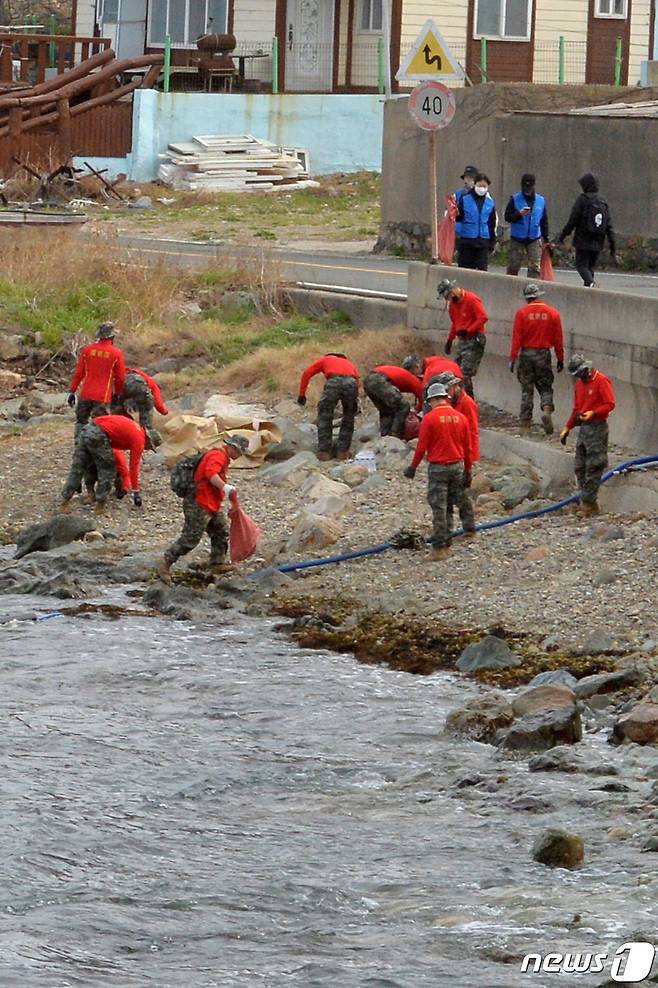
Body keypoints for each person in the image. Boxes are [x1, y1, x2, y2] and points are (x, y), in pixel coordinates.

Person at [157, 435, 250, 583]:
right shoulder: (217, 456)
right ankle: (165, 563)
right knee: (191, 538)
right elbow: (210, 473)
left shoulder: (221, 456)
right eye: (240, 452)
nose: (240, 456)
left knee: (221, 531)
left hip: (211, 502)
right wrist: (225, 487)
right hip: (199, 502)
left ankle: (217, 562)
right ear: (233, 448)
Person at [403, 381, 472, 560]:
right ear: (446, 398)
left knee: (439, 506)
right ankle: (467, 530)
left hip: (438, 468)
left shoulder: (430, 418)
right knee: (456, 500)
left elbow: (421, 447)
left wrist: (413, 467)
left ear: (432, 400)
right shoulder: (460, 418)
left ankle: (440, 547)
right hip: (458, 465)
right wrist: (468, 470)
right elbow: (468, 447)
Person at [62, 414, 154, 514]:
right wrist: (136, 491)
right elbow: (133, 467)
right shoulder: (140, 439)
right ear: (148, 440)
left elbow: (103, 421)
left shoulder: (134, 427)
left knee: (78, 466)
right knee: (108, 470)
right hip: (99, 434)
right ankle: (100, 504)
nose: (146, 449)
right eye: (149, 447)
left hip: (88, 429)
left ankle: (65, 501)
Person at [560, 354, 616, 516]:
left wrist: (594, 412)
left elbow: (610, 404)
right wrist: (567, 427)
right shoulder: (580, 384)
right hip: (585, 429)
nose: (578, 377)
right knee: (580, 466)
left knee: (594, 465)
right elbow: (577, 409)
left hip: (597, 428)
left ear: (585, 369)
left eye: (579, 373)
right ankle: (588, 500)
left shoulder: (601, 380)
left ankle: (589, 503)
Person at [509, 283, 565, 434]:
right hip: (543, 354)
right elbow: (558, 339)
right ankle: (546, 409)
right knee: (545, 387)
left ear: (527, 298)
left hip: (526, 354)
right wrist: (560, 358)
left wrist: (513, 358)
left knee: (527, 390)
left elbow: (516, 339)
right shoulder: (553, 313)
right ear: (539, 295)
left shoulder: (521, 313)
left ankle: (525, 425)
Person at [434, 370, 478, 537]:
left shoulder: (467, 404)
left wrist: (470, 461)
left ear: (454, 386)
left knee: (462, 496)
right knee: (450, 497)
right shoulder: (452, 402)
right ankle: (449, 530)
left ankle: (468, 528)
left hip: (462, 456)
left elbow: (472, 432)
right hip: (452, 453)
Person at [556, 173, 617, 287]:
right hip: (598, 239)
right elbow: (609, 225)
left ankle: (590, 283)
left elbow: (573, 220)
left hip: (583, 238)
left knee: (581, 265)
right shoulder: (603, 201)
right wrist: (613, 245)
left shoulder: (582, 200)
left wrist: (563, 236)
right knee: (590, 267)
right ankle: (589, 290)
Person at [68, 321, 126, 438]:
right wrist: (118, 394)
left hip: (85, 394)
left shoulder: (87, 350)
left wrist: (72, 391)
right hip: (103, 396)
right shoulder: (116, 354)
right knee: (101, 426)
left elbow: (79, 373)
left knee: (81, 422)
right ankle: (95, 450)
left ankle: (79, 446)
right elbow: (120, 378)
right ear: (112, 336)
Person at [297, 353, 359, 461]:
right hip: (351, 382)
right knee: (349, 417)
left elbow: (307, 373)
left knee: (325, 415)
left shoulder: (325, 359)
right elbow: (357, 381)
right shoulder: (349, 363)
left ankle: (324, 452)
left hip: (333, 381)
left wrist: (302, 394)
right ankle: (343, 452)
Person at [437, 279, 489, 397]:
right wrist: (450, 340)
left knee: (465, 373)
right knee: (455, 370)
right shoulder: (453, 306)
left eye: (449, 296)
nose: (449, 300)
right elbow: (455, 323)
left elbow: (483, 317)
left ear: (453, 290)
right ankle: (459, 397)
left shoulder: (471, 299)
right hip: (463, 341)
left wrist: (468, 330)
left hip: (474, 339)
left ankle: (469, 400)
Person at [504, 173, 549, 279]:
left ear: (533, 186)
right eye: (525, 187)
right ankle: (510, 287)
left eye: (529, 187)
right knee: (513, 266)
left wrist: (546, 239)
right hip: (517, 238)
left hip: (534, 238)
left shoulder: (541, 201)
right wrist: (519, 214)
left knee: (534, 267)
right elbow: (507, 217)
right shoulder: (514, 199)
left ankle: (532, 288)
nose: (527, 190)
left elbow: (544, 220)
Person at [363, 360, 423, 438]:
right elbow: (423, 400)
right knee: (403, 406)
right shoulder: (416, 381)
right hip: (380, 379)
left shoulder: (404, 375)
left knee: (386, 411)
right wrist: (417, 411)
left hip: (368, 380)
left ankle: (385, 437)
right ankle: (396, 434)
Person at [456, 172, 497, 271]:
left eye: (484, 186)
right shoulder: (465, 199)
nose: (482, 188)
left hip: (483, 242)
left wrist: (492, 242)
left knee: (482, 270)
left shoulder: (490, 203)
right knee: (465, 270)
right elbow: (458, 218)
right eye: (480, 185)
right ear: (475, 184)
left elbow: (492, 223)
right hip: (467, 241)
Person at [113, 366, 169, 432]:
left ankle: (128, 427)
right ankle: (146, 433)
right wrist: (165, 412)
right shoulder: (153, 385)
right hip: (136, 384)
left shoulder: (133, 371)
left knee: (118, 411)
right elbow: (158, 404)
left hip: (117, 384)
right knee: (146, 409)